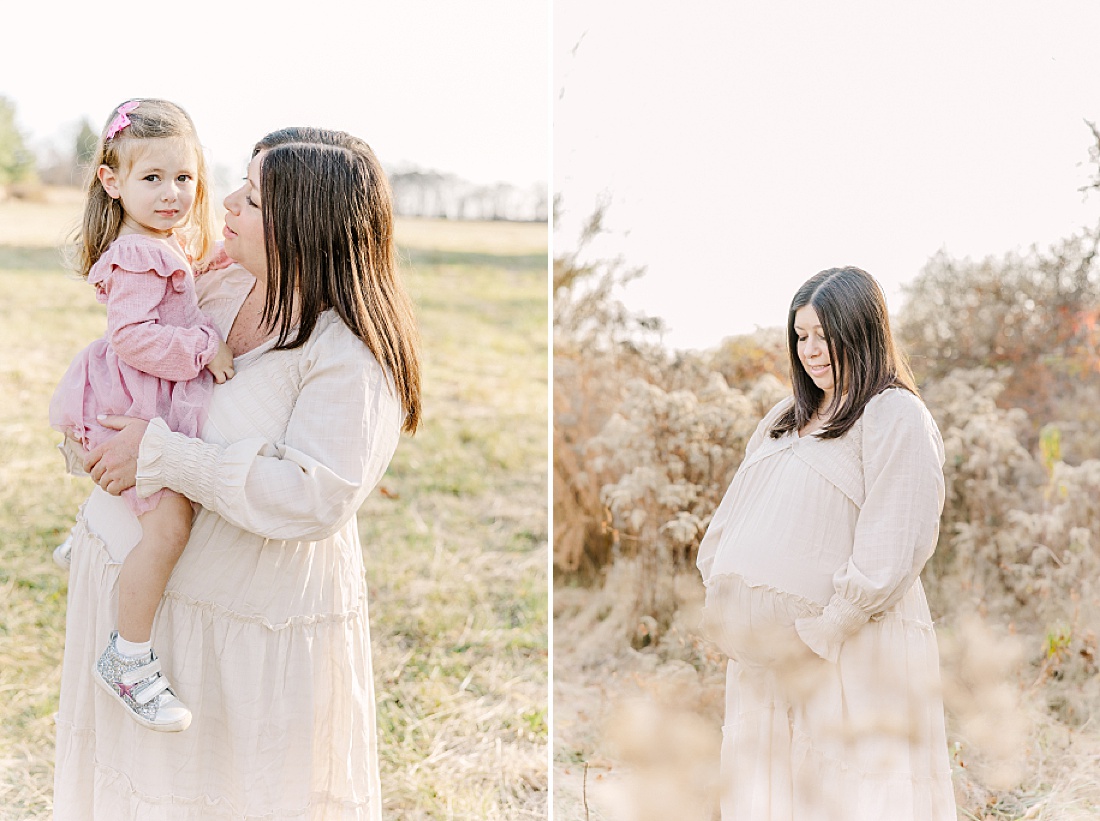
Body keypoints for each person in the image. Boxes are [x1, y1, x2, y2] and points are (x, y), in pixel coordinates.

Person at [53, 127, 421, 820]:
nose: (224, 201)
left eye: (251, 198)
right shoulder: (224, 282)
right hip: (137, 605)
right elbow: (132, 357)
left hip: (241, 635)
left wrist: (161, 456)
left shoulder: (350, 356)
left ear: (303, 225)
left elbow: (312, 498)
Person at [696, 267, 956, 820]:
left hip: (847, 646)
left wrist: (824, 630)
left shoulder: (893, 415)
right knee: (773, 794)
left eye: (824, 335)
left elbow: (898, 537)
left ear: (862, 331)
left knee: (841, 794)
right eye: (801, 336)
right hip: (764, 657)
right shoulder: (782, 418)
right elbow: (732, 517)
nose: (811, 351)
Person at [49, 99, 235, 733]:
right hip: (135, 396)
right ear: (113, 181)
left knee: (163, 506)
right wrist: (204, 349)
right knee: (169, 526)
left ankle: (92, 529)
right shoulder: (137, 253)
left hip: (143, 392)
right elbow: (132, 335)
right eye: (151, 179)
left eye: (183, 178)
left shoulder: (159, 243)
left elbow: (175, 288)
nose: (171, 193)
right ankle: (128, 658)